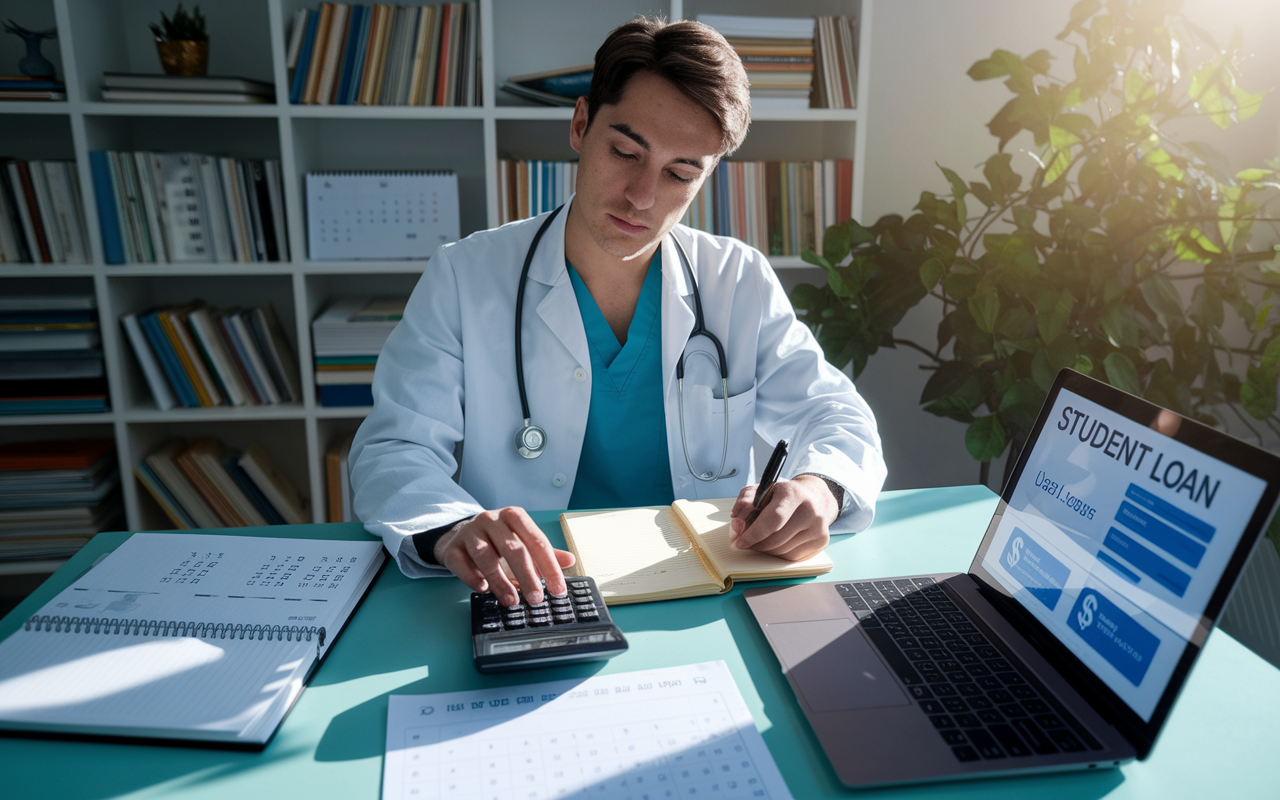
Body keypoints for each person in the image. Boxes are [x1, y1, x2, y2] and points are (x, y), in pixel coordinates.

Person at [350, 17, 887, 607]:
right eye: (626, 152)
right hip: (530, 593)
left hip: (704, 597)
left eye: (680, 173)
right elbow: (394, 449)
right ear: (580, 124)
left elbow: (834, 414)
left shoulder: (737, 280)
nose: (642, 197)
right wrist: (453, 527)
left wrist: (821, 487)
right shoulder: (465, 276)